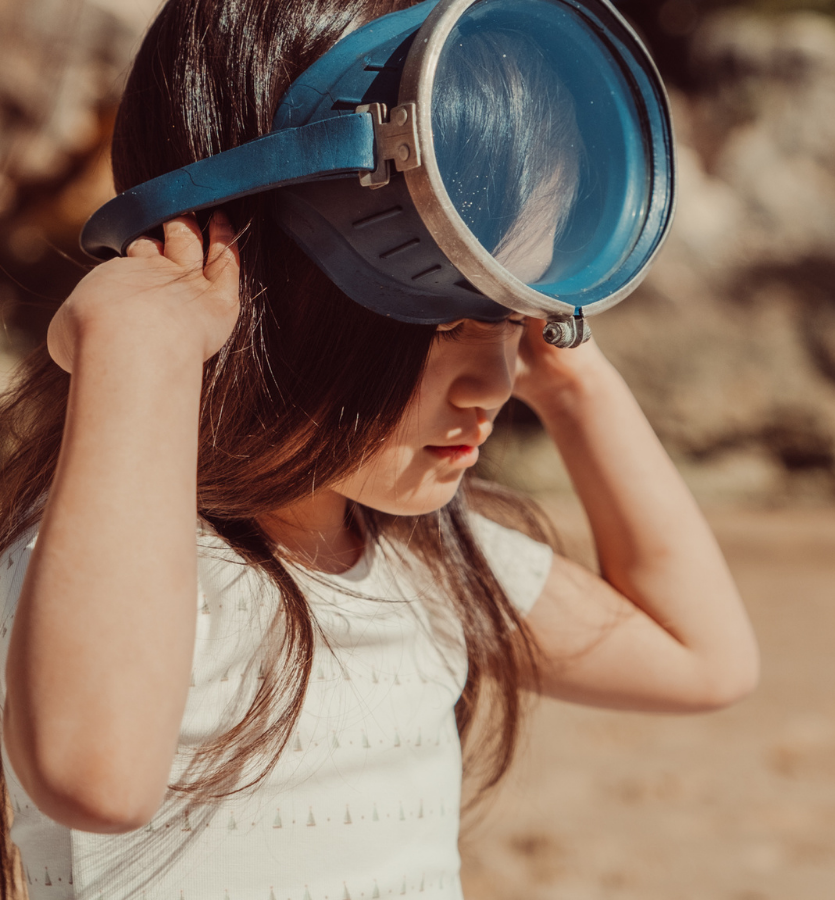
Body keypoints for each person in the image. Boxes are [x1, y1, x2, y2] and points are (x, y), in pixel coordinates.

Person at [0, 0, 759, 897]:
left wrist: (566, 356)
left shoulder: (424, 562)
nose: (495, 384)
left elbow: (704, 658)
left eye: (517, 324)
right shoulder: (109, 559)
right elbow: (97, 776)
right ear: (251, 287)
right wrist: (137, 354)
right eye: (444, 322)